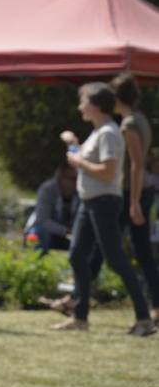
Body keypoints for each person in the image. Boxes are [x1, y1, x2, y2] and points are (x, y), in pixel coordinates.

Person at [53, 83, 156, 336]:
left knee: (116, 260)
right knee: (77, 255)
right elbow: (86, 162)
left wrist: (78, 161)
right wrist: (74, 145)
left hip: (104, 203)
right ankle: (81, 317)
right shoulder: (98, 132)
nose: (80, 106)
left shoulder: (110, 133)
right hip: (89, 202)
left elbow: (108, 172)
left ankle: (144, 318)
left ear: (97, 105)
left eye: (83, 101)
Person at [111, 73, 159, 325]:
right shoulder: (140, 119)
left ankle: (154, 305)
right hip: (138, 191)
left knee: (113, 246)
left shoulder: (129, 124)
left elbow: (137, 163)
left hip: (132, 192)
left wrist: (134, 201)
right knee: (133, 250)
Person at [25, 163, 80, 254]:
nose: (75, 182)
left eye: (77, 178)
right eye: (71, 179)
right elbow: (42, 220)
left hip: (74, 234)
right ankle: (38, 260)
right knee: (39, 232)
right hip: (51, 232)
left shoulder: (82, 192)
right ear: (60, 177)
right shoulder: (47, 190)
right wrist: (66, 231)